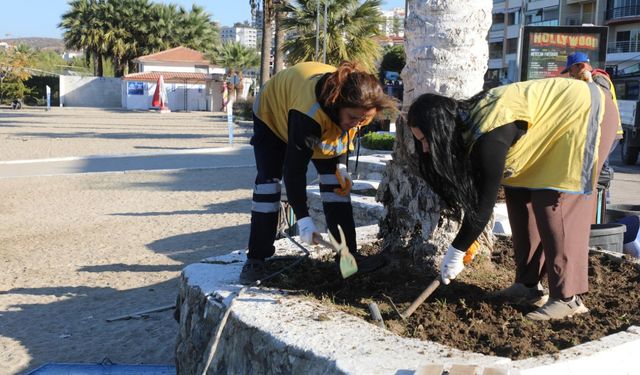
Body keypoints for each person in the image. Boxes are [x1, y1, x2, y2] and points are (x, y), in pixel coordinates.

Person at [406, 77, 620, 320]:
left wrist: (456, 252)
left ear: (441, 130)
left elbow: (481, 207)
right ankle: (527, 286)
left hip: (585, 113)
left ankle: (567, 299)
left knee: (553, 203)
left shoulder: (489, 134)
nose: (425, 149)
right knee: (519, 199)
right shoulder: (468, 127)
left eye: (426, 140)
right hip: (548, 130)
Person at [240, 61, 397, 284]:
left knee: (336, 187)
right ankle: (256, 259)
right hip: (272, 113)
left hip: (310, 110)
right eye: (353, 118)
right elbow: (294, 171)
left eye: (363, 119)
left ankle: (347, 259)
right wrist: (304, 219)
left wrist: (341, 167)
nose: (357, 123)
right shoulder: (308, 115)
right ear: (337, 104)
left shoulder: (359, 109)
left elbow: (345, 137)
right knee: (268, 185)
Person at [561, 52, 624, 223]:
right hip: (603, 132)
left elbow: (602, 101)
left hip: (609, 133)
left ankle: (600, 210)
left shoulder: (597, 78)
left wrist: (588, 82)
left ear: (580, 66)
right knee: (598, 170)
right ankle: (598, 206)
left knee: (599, 171)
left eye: (571, 70)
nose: (571, 74)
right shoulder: (588, 79)